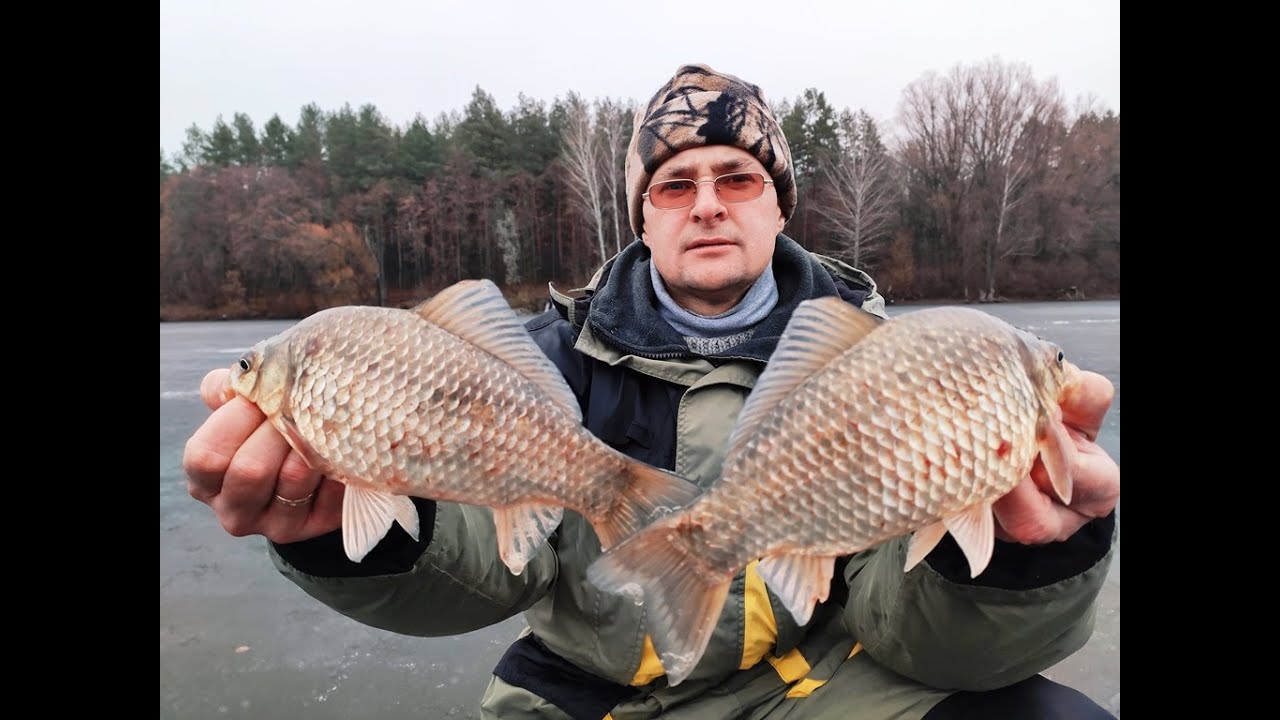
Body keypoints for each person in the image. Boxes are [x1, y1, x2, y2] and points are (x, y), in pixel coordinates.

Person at [184, 63, 1120, 719]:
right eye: (674, 185)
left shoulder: (878, 363)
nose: (708, 201)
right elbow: (491, 561)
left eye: (737, 176)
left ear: (778, 201)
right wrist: (357, 542)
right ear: (641, 215)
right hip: (590, 698)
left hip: (829, 686)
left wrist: (1015, 568)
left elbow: (913, 628)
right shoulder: (542, 361)